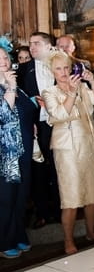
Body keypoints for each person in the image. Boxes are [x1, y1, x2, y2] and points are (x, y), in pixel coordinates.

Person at [42, 51, 94, 254]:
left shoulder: (81, 86)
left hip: (88, 143)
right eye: (59, 69)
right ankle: (68, 240)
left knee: (92, 192)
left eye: (66, 68)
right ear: (52, 72)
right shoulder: (49, 92)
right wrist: (71, 92)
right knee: (70, 196)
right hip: (66, 149)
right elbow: (61, 114)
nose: (63, 72)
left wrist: (92, 81)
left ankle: (91, 232)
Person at [17, 31, 60, 228]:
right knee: (38, 171)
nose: (32, 47)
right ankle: (42, 212)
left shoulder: (59, 66)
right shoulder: (24, 70)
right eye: (30, 44)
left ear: (49, 46)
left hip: (58, 124)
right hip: (35, 127)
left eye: (37, 43)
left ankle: (62, 210)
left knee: (58, 167)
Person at [0, 38, 36, 259]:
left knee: (21, 195)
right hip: (4, 152)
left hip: (23, 148)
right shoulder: (10, 86)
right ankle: (4, 241)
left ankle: (18, 233)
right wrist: (11, 88)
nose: (4, 60)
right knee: (6, 197)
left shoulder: (14, 83)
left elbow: (25, 111)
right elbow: (3, 114)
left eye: (5, 56)